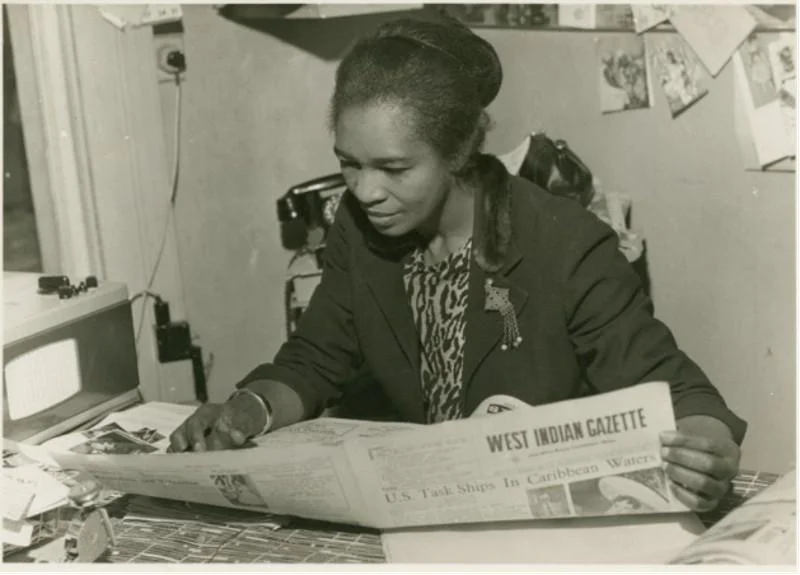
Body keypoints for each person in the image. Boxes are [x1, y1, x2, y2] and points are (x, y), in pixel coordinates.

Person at [169, 16, 746, 513]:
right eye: (349, 163)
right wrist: (252, 407)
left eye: (394, 169)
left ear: (458, 152)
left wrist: (706, 446)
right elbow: (319, 357)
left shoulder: (565, 242)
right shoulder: (358, 226)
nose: (366, 190)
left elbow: (676, 390)